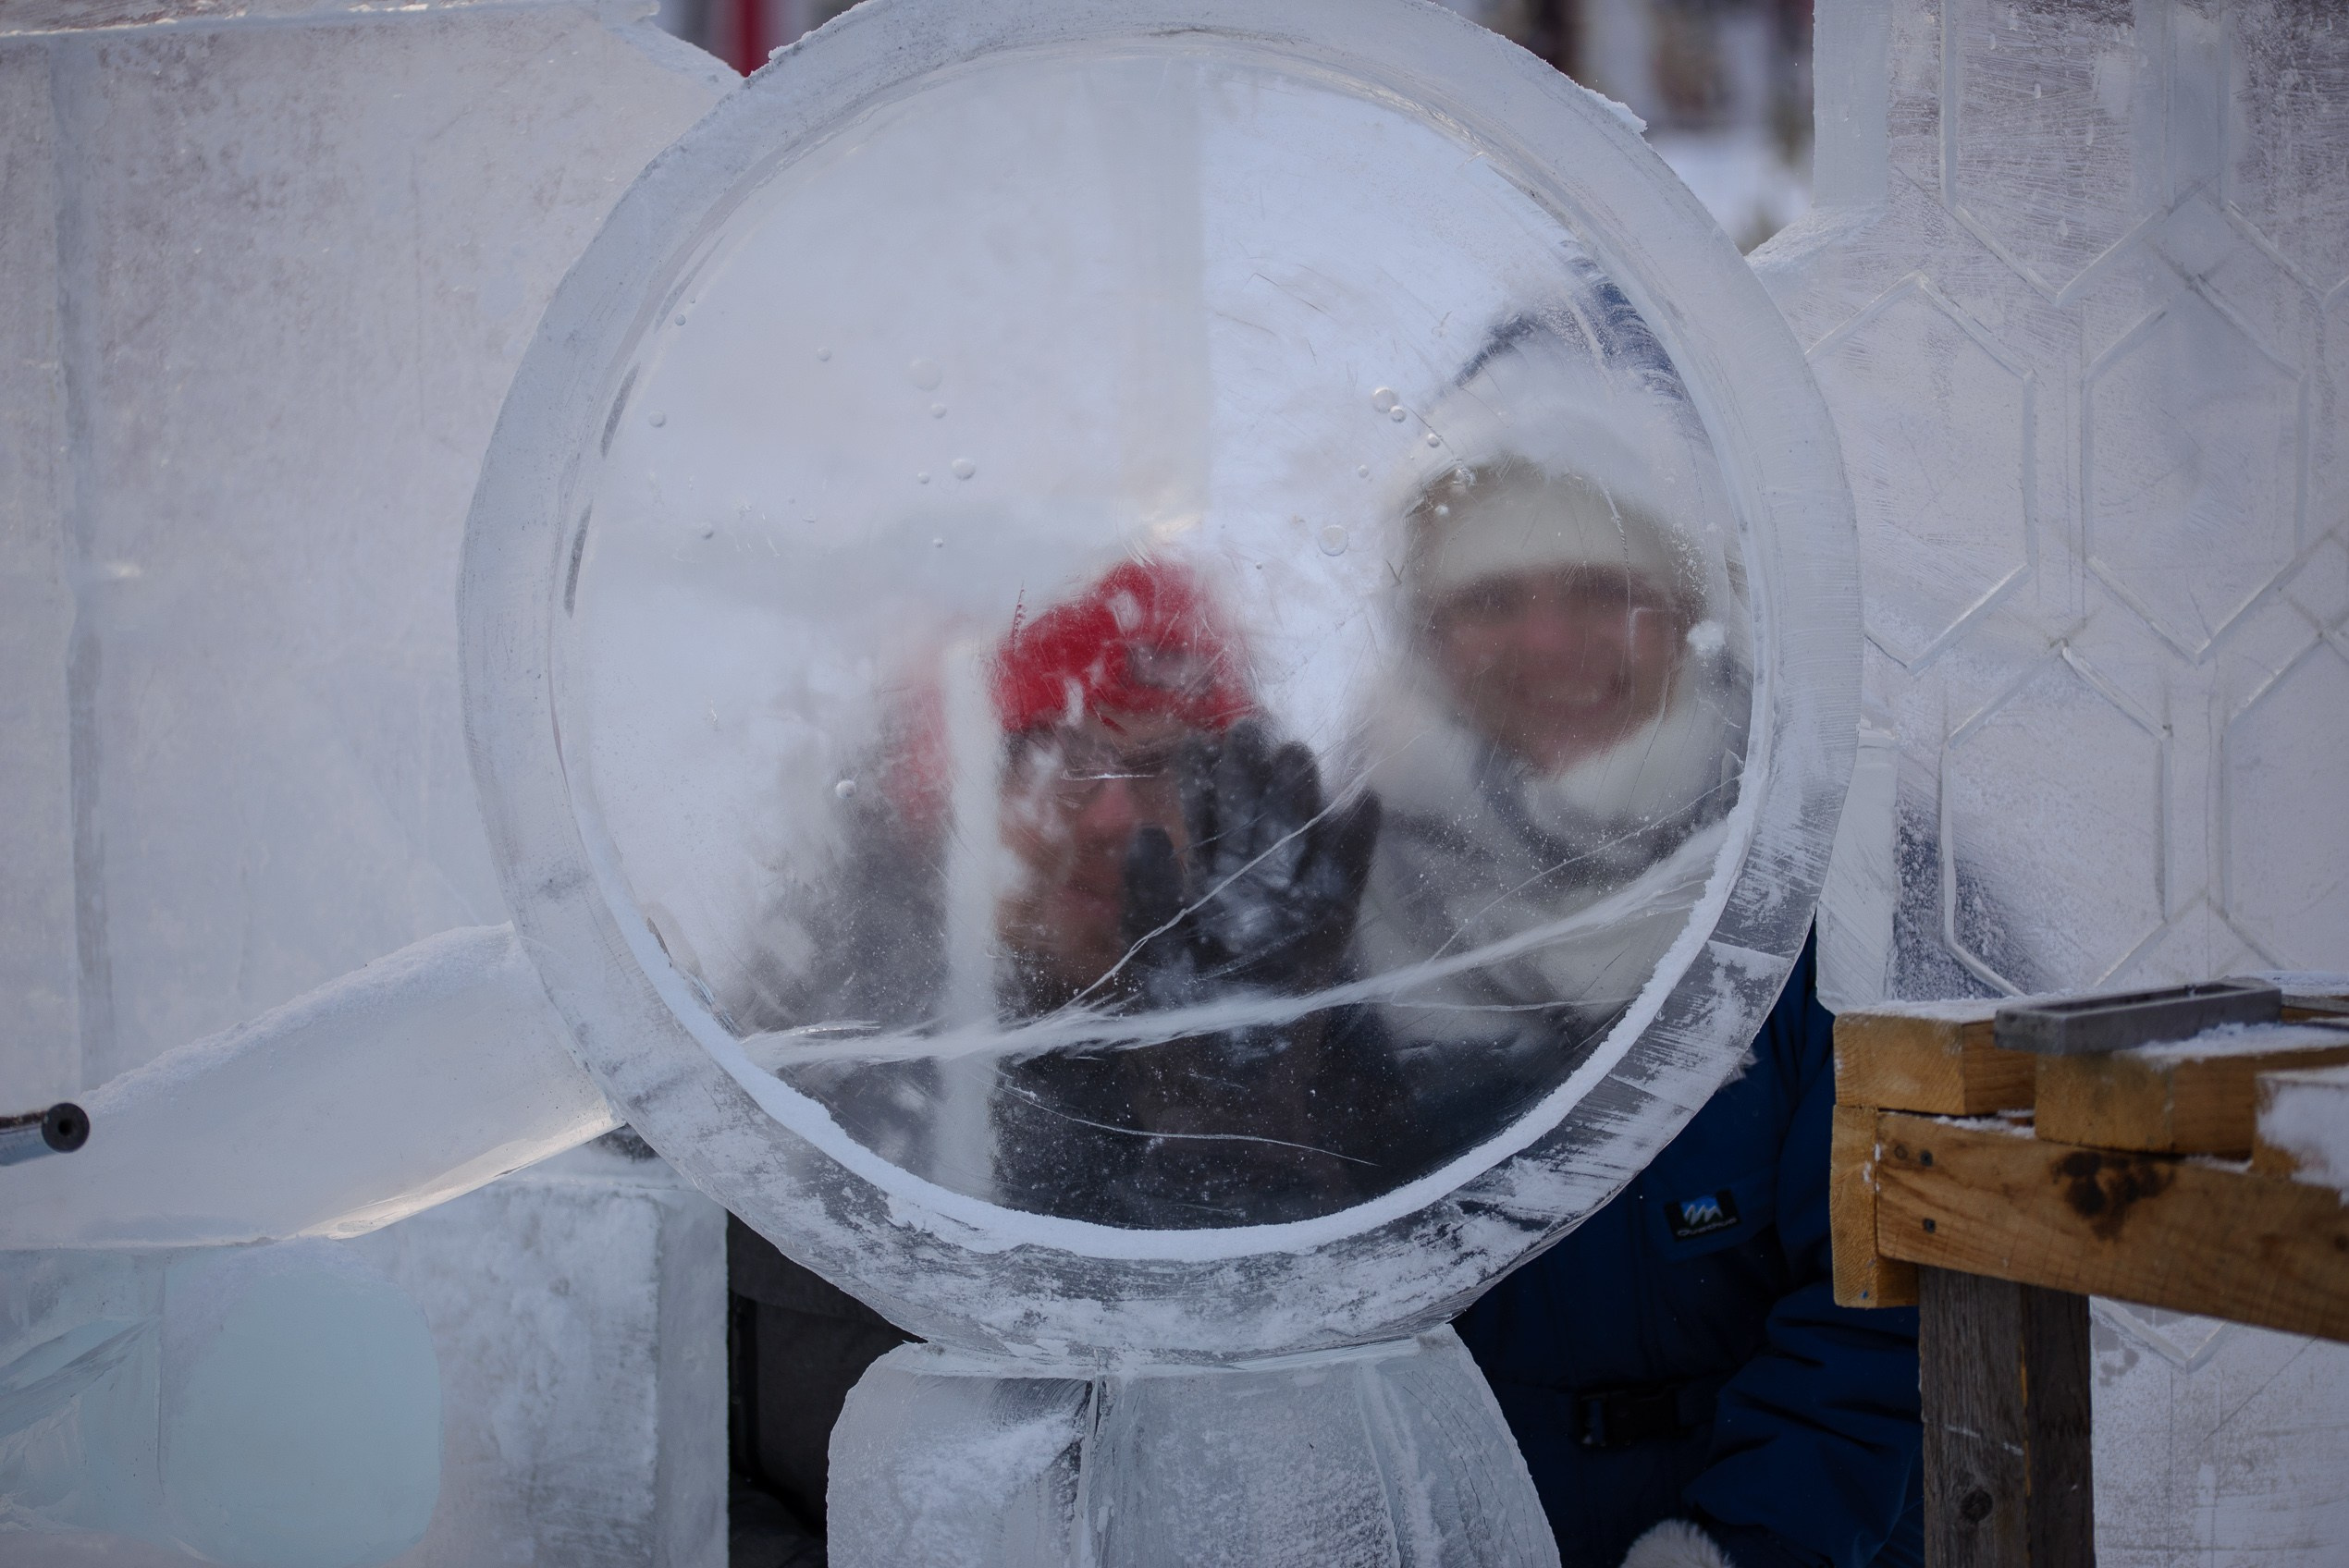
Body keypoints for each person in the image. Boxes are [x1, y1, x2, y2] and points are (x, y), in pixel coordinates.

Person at [1359, 312, 1922, 1568]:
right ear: (1421, 630)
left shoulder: (1836, 874)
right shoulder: (1351, 885)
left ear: (1689, 602)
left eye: (1600, 589)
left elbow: (1899, 1293)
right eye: (1489, 599)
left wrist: (1734, 1547)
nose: (1547, 644)